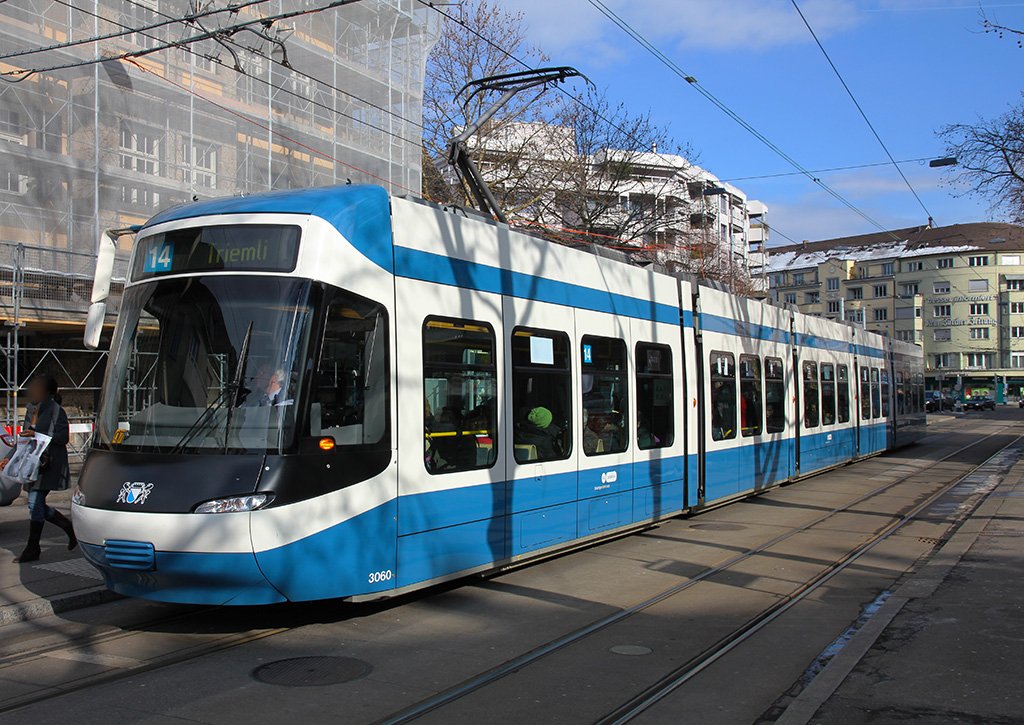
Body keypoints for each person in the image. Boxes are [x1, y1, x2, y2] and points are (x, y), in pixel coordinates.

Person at [0, 374, 75, 563]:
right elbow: (23, 439)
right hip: (31, 464)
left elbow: (63, 437)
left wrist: (38, 435)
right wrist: (8, 458)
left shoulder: (57, 411)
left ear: (47, 392)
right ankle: (67, 527)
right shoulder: (31, 409)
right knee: (37, 505)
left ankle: (32, 548)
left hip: (48, 465)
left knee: (34, 503)